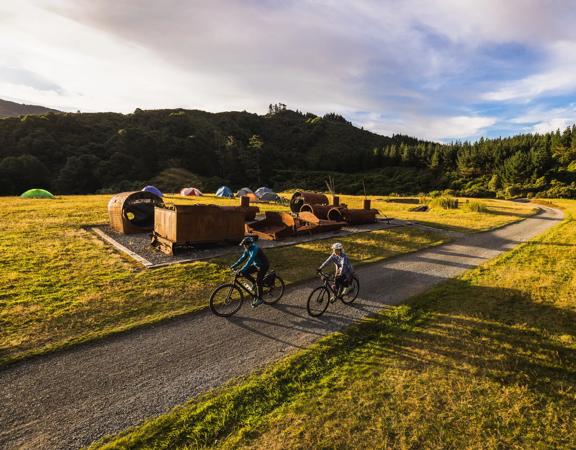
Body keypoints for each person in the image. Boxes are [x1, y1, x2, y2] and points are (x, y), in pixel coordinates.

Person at [231, 236, 269, 308]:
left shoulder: (255, 249)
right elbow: (242, 258)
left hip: (263, 266)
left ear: (250, 244)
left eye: (245, 245)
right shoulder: (247, 249)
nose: (244, 246)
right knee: (244, 273)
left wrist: (242, 269)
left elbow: (250, 260)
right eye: (244, 245)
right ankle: (254, 283)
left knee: (259, 281)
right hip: (257, 265)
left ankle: (260, 299)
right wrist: (234, 265)